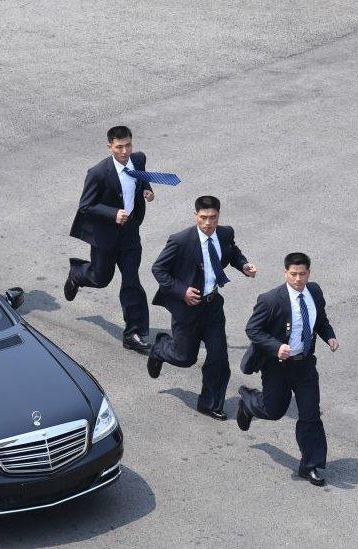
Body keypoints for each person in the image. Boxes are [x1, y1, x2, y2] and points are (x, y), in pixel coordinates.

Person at [146, 196, 257, 420]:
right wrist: (182, 291)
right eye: (203, 218)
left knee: (219, 358)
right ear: (195, 215)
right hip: (187, 308)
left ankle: (209, 404)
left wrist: (243, 265)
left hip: (212, 306)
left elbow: (232, 252)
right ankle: (160, 348)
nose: (208, 223)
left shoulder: (225, 233)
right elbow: (158, 269)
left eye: (213, 218)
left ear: (218, 216)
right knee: (185, 357)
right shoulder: (180, 240)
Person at [237, 253, 338, 486]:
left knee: (310, 415)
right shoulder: (271, 299)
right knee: (274, 411)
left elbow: (320, 320)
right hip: (278, 367)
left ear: (309, 273)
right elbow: (253, 330)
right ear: (285, 273)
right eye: (293, 274)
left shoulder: (314, 292)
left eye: (303, 274)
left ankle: (310, 465)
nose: (298, 279)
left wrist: (329, 337)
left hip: (305, 366)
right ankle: (249, 402)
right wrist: (276, 347)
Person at [64, 125, 155, 353]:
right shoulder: (98, 173)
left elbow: (141, 180)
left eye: (128, 145)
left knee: (132, 280)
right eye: (119, 147)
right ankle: (77, 274)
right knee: (101, 277)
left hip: (130, 232)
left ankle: (133, 332)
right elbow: (86, 205)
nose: (125, 151)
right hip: (105, 235)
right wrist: (113, 214)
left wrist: (147, 190)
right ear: (110, 147)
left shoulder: (139, 159)